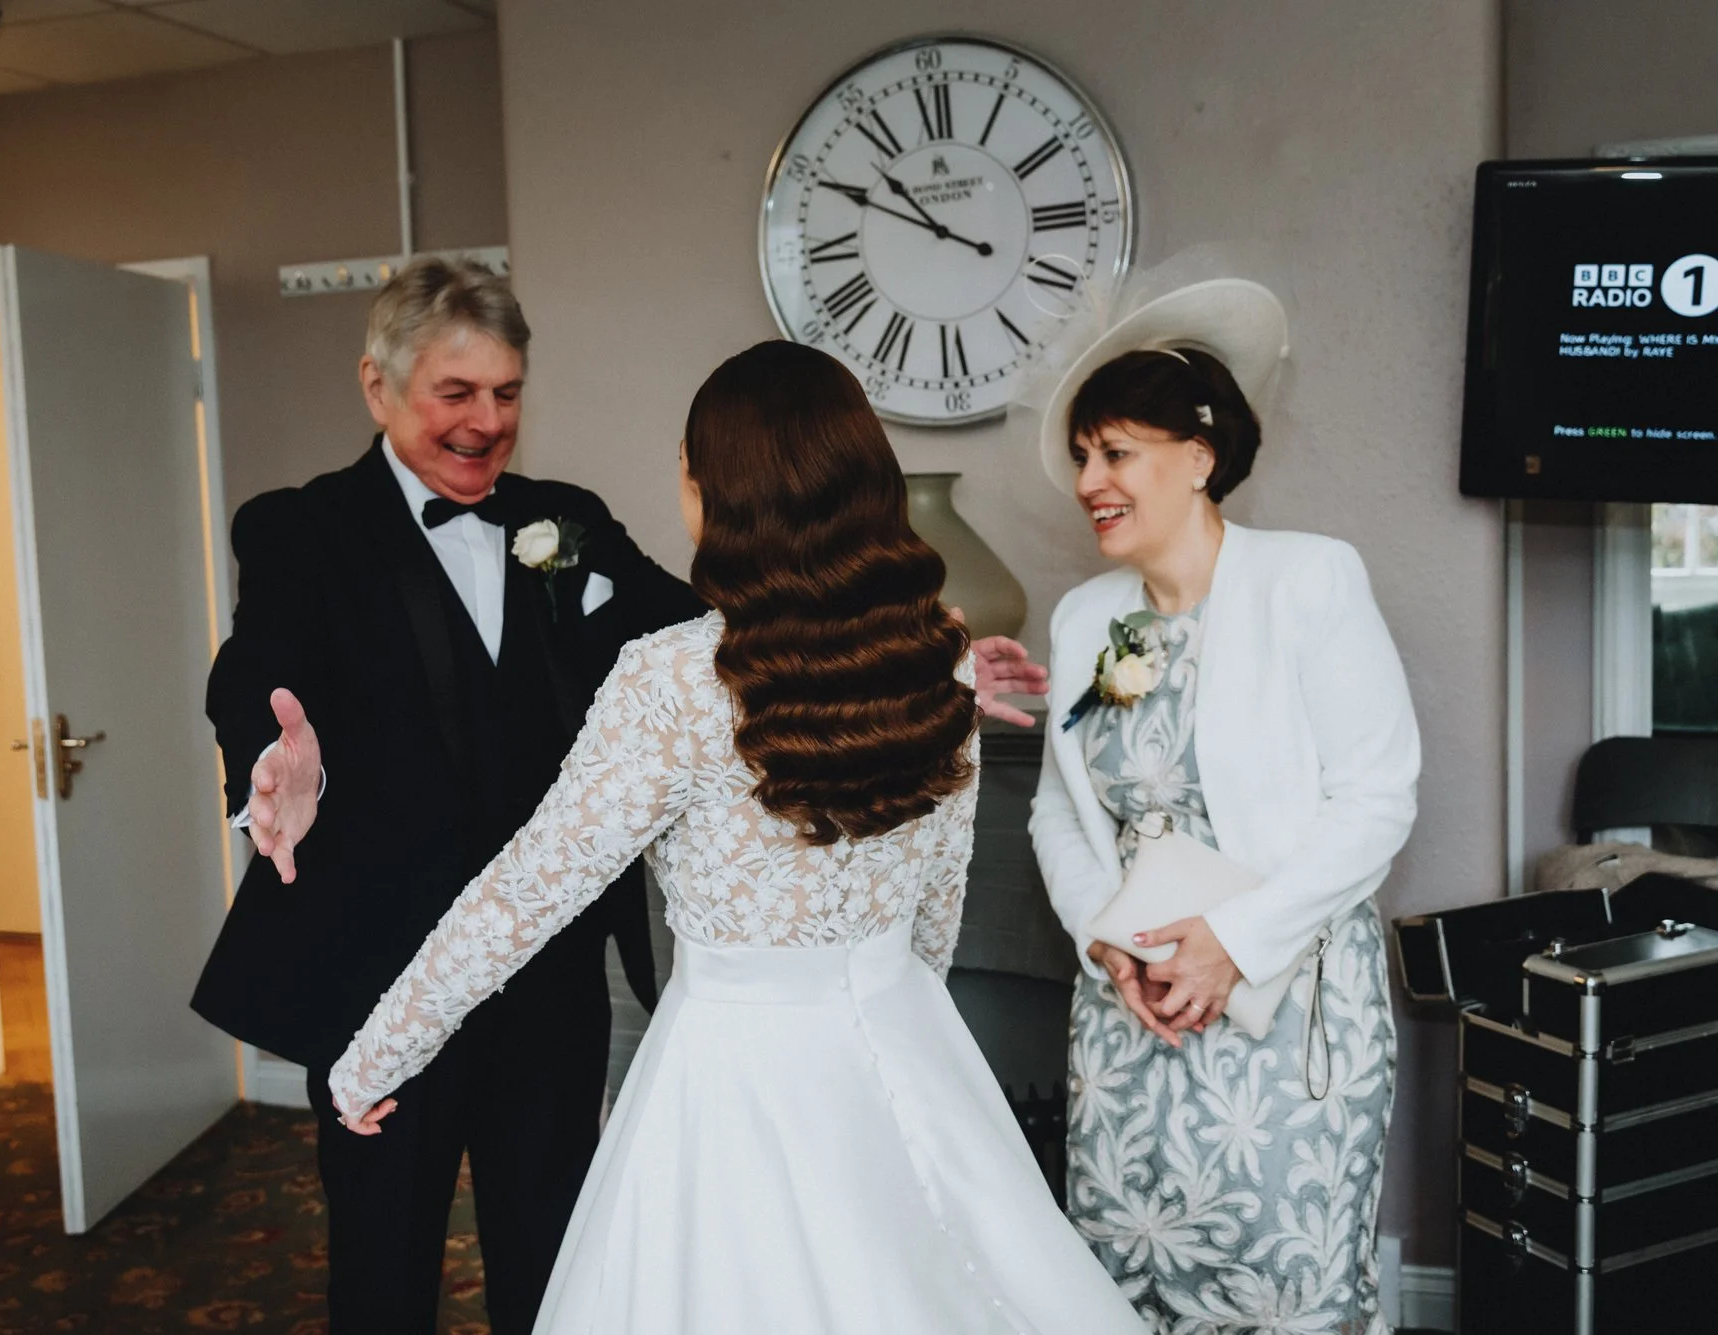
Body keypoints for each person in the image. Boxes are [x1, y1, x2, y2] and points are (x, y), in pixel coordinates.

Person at [190, 259, 1051, 1333]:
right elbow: (251, 669)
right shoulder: (297, 527)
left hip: (552, 983)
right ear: (377, 386)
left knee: (564, 1256)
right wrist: (275, 758)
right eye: (455, 394)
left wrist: (884, 672)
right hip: (381, 965)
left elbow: (740, 642)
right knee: (382, 1265)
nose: (486, 421)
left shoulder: (572, 525)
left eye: (506, 393)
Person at [1027, 287, 1420, 1335]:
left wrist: (1229, 946)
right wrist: (1107, 947)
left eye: (1113, 452)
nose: (1087, 483)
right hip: (1128, 1021)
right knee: (1121, 1288)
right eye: (1081, 458)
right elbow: (1057, 818)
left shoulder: (1307, 581)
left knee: (1277, 1295)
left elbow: (1376, 799)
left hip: (1284, 1015)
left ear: (1199, 457)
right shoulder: (1082, 620)